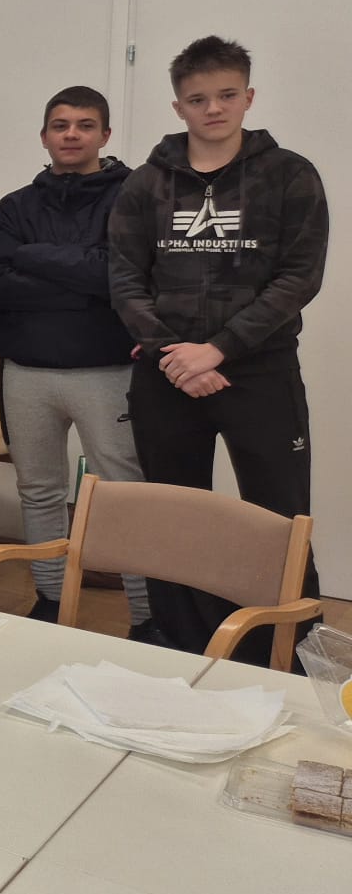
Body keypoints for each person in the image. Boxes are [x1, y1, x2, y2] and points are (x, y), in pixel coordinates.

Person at [109, 37, 327, 659]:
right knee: (172, 511)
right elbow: (124, 280)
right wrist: (174, 354)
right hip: (167, 372)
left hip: (260, 371)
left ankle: (286, 649)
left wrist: (219, 350)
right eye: (198, 99)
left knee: (279, 513)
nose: (213, 109)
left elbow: (298, 278)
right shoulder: (146, 184)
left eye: (227, 95)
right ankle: (182, 639)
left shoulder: (289, 175)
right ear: (178, 106)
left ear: (248, 97)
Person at [0, 86, 159, 640]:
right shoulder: (16, 205)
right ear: (44, 136)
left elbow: (120, 276)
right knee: (39, 492)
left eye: (85, 125)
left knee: (124, 495)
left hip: (108, 371)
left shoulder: (131, 196)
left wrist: (32, 257)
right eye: (60, 125)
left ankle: (147, 618)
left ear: (105, 135)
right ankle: (51, 600)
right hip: (27, 372)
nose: (72, 135)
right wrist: (84, 280)